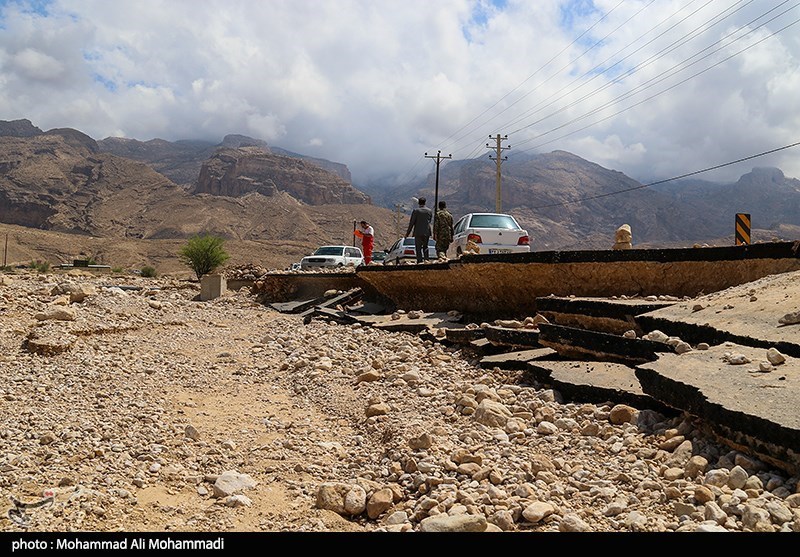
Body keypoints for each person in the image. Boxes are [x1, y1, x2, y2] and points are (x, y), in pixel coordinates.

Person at [405, 197, 433, 263]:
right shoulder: (429, 211)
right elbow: (430, 220)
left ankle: (419, 261)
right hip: (426, 232)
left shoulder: (416, 211)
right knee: (425, 247)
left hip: (418, 232)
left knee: (418, 248)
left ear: (418, 203)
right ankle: (426, 260)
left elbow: (411, 223)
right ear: (425, 202)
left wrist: (407, 234)